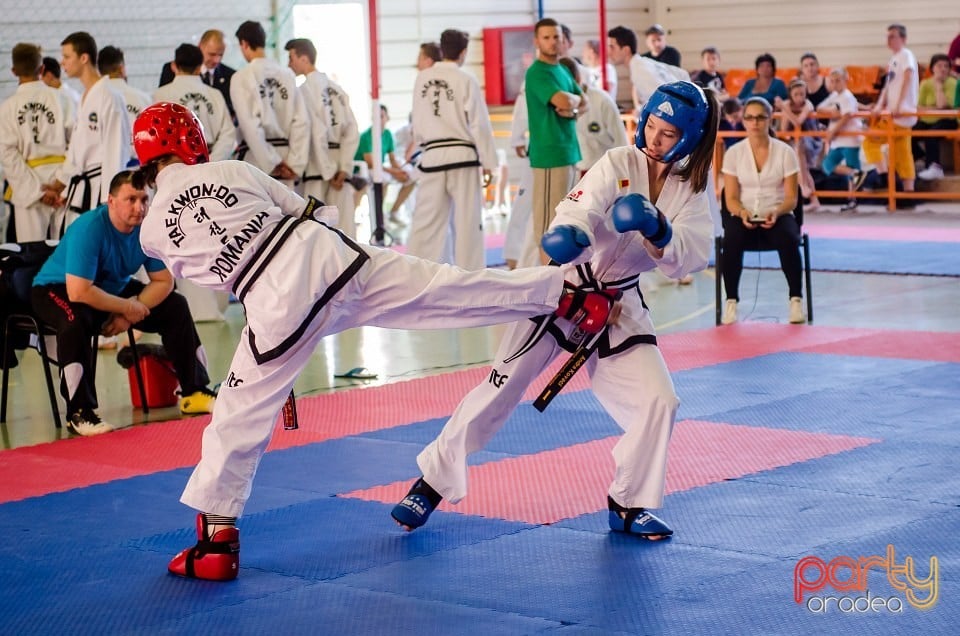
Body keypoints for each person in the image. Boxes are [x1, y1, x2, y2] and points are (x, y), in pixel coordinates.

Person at [130, 101, 620, 581]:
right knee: (443, 287)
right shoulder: (234, 171)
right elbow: (312, 212)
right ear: (193, 141)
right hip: (332, 259)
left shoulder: (151, 231)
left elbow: (207, 275)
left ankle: (216, 540)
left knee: (238, 414)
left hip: (276, 307)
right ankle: (566, 296)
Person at [391, 81, 720, 542]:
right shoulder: (618, 162)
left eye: (668, 135)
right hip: (565, 287)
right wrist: (571, 233)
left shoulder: (693, 191)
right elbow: (579, 206)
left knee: (659, 400)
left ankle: (629, 504)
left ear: (688, 139)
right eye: (652, 127)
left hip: (619, 303)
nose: (655, 140)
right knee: (499, 389)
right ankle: (430, 484)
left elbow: (692, 255)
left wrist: (657, 227)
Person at [30, 169, 217, 436]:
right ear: (111, 201)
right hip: (57, 288)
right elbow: (79, 291)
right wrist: (127, 307)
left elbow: (164, 282)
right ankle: (79, 412)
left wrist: (128, 315)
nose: (139, 207)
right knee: (75, 319)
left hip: (109, 288)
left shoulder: (147, 229)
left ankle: (194, 391)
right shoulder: (89, 227)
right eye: (131, 199)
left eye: (144, 199)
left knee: (175, 307)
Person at [407, 28, 497, 271]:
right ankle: (471, 275)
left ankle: (416, 273)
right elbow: (479, 123)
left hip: (433, 156)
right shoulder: (466, 79)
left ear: (441, 48)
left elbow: (417, 121)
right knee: (468, 222)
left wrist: (422, 142)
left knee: (426, 222)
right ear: (464, 52)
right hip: (463, 157)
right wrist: (489, 163)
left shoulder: (422, 78)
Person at [720, 97, 805, 325]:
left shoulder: (785, 152)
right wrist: (741, 213)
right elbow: (730, 199)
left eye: (760, 117)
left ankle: (796, 300)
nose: (754, 122)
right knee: (732, 239)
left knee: (788, 237)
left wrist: (777, 212)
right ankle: (731, 301)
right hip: (744, 214)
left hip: (778, 213)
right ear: (743, 121)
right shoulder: (733, 153)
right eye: (749, 117)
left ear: (770, 120)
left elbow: (792, 198)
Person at [42, 32, 130, 226]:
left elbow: (116, 152)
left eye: (66, 56)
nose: (62, 62)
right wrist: (60, 184)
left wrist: (110, 201)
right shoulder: (85, 97)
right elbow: (77, 149)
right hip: (82, 188)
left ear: (84, 58)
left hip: (100, 190)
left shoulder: (109, 96)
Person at [283, 37, 361, 238]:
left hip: (317, 166)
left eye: (291, 57)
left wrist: (328, 171)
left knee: (316, 229)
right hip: (338, 169)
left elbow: (315, 131)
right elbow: (352, 131)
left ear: (304, 58)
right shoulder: (338, 89)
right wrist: (344, 167)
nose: (289, 63)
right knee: (345, 227)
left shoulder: (303, 91)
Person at [525, 18, 586, 265]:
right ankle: (549, 286)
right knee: (548, 225)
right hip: (549, 156)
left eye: (557, 37)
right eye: (547, 37)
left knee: (566, 219)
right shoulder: (537, 73)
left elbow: (585, 102)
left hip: (569, 152)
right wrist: (572, 103)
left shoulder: (561, 70)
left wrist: (571, 107)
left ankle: (563, 282)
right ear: (537, 41)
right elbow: (566, 101)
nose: (553, 42)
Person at [0, 43, 72, 241]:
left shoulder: (7, 108)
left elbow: (7, 154)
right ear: (42, 69)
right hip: (62, 187)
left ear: (14, 71)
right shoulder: (63, 100)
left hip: (29, 185)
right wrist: (61, 181)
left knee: (31, 255)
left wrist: (37, 192)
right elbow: (77, 144)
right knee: (66, 251)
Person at [231, 21, 309, 188]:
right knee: (287, 212)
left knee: (261, 213)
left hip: (257, 159)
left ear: (244, 44)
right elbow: (301, 122)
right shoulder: (287, 74)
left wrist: (272, 162)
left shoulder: (241, 76)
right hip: (287, 158)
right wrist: (295, 163)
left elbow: (249, 125)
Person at [862, 23, 919, 205]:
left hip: (901, 112)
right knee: (903, 154)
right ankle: (908, 194)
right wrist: (879, 105)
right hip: (896, 114)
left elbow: (908, 76)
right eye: (888, 36)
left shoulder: (906, 55)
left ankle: (885, 176)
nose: (889, 39)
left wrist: (900, 103)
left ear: (903, 39)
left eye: (893, 36)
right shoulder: (893, 59)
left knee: (870, 141)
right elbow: (888, 86)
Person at [153, 43, 236, 162]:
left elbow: (158, 136)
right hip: (210, 158)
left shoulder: (160, 95)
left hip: (175, 163)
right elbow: (228, 134)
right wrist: (211, 161)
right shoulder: (215, 94)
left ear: (174, 66)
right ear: (199, 67)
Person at [557, 57, 629, 172]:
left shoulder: (601, 101)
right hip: (574, 172)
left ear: (578, 79)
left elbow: (621, 143)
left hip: (604, 171)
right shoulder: (556, 105)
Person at [816, 68, 867, 211]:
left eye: (838, 80)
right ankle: (855, 174)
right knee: (827, 164)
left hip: (850, 138)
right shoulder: (834, 96)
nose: (835, 84)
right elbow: (819, 108)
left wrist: (832, 131)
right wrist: (832, 112)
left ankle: (852, 199)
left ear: (845, 80)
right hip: (839, 140)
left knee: (850, 165)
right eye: (832, 81)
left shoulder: (847, 96)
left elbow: (847, 115)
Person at [159, 29, 235, 120]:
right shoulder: (173, 69)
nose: (216, 60)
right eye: (212, 54)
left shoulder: (231, 75)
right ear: (200, 46)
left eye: (221, 55)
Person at [98, 45, 153, 165]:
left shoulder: (95, 98)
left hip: (105, 167)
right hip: (139, 168)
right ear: (121, 68)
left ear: (100, 71)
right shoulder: (143, 98)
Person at [778, 78, 821, 210]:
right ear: (790, 94)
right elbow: (784, 130)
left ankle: (803, 186)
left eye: (802, 94)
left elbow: (798, 122)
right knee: (801, 165)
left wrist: (784, 108)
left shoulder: (808, 104)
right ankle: (815, 201)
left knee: (799, 148)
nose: (799, 97)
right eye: (796, 94)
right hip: (793, 142)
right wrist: (785, 109)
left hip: (811, 141)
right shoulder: (787, 104)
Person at [913, 53, 957, 181]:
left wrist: (938, 87)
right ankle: (921, 157)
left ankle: (935, 168)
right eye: (939, 66)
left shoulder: (953, 83)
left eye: (946, 66)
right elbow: (918, 107)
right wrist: (934, 108)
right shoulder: (925, 83)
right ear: (932, 68)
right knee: (908, 133)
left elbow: (943, 106)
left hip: (948, 119)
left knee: (931, 134)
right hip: (928, 119)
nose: (943, 69)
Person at [40, 56, 78, 127]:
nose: (39, 81)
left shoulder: (67, 97)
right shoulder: (56, 94)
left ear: (49, 76)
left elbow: (70, 126)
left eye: (41, 77)